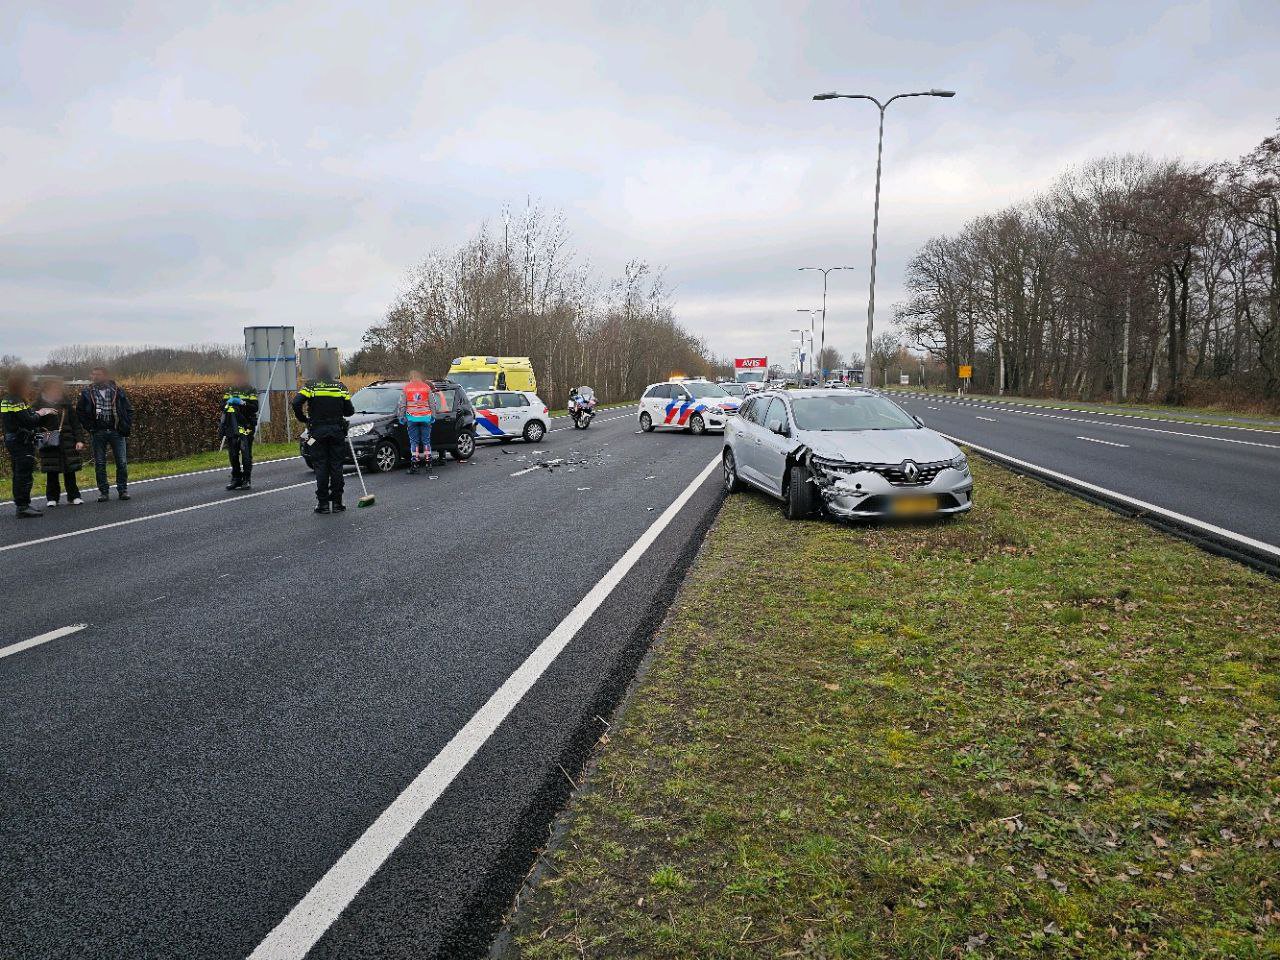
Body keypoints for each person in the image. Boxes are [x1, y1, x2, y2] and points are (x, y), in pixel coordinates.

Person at [292, 365, 354, 513]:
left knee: (321, 466)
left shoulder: (311, 386)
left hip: (317, 432)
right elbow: (350, 411)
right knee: (336, 466)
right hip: (336, 431)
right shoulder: (340, 387)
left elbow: (295, 402)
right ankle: (338, 503)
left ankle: (323, 504)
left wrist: (303, 418)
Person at [76, 365, 133, 502]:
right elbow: (80, 412)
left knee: (122, 462)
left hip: (116, 431)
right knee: (100, 463)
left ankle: (122, 490)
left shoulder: (117, 390)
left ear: (105, 376)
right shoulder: (87, 392)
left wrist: (125, 425)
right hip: (98, 432)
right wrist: (89, 427)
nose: (94, 377)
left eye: (98, 374)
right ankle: (103, 492)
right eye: (93, 374)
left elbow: (128, 409)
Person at [3, 368, 48, 519]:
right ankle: (22, 507)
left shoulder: (7, 399)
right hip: (20, 441)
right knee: (24, 474)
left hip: (13, 440)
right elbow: (28, 420)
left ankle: (23, 504)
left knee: (18, 473)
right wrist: (40, 414)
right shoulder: (16, 400)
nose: (29, 387)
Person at [34, 377, 85, 507]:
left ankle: (74, 496)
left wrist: (79, 440)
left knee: (70, 471)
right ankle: (52, 498)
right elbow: (31, 422)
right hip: (49, 441)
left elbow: (75, 424)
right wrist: (42, 413)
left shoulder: (66, 405)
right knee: (52, 472)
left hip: (67, 441)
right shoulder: (38, 405)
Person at [221, 370, 259, 491]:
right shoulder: (230, 390)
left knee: (246, 453)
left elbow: (254, 407)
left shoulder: (250, 390)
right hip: (232, 426)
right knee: (233, 453)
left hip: (247, 426)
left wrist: (242, 403)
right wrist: (228, 403)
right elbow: (222, 405)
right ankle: (236, 478)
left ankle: (246, 479)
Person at [396, 370, 435, 475]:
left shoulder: (407, 388)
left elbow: (402, 404)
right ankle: (428, 464)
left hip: (412, 418)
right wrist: (433, 416)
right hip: (426, 417)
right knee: (426, 441)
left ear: (411, 377)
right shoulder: (426, 387)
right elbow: (432, 403)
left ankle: (415, 464)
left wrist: (401, 416)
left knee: (414, 442)